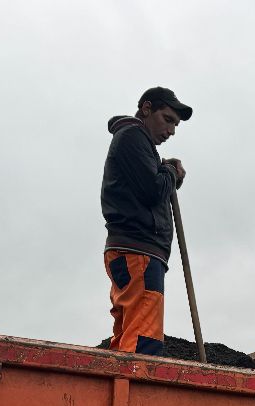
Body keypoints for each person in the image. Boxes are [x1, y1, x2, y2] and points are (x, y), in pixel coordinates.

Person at [101, 86, 192, 355]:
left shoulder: (139, 143)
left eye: (175, 124)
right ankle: (137, 395)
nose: (171, 131)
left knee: (129, 334)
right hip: (139, 252)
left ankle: (121, 392)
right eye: (167, 120)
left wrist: (167, 173)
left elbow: (150, 188)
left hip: (132, 252)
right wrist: (169, 172)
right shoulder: (133, 136)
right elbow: (152, 191)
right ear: (146, 109)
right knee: (143, 342)